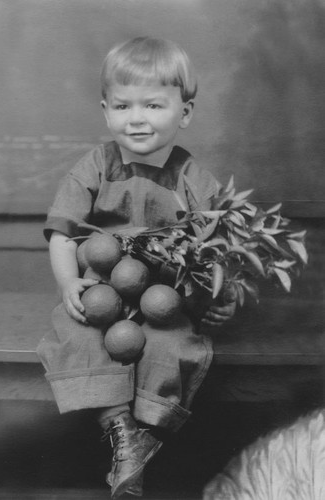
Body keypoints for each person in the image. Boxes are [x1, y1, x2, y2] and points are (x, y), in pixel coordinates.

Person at [37, 36, 236, 498]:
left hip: (162, 295)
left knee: (168, 345)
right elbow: (64, 233)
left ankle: (145, 432)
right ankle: (122, 432)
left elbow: (219, 247)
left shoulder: (192, 178)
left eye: (152, 105)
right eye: (123, 106)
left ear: (184, 112)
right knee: (79, 335)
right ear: (106, 111)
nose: (137, 118)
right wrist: (69, 282)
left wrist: (220, 298)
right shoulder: (95, 166)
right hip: (103, 288)